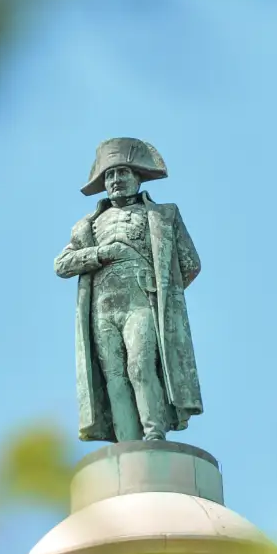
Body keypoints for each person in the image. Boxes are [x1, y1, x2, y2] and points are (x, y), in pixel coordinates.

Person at [55, 137, 203, 442]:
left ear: (138, 176)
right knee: (115, 379)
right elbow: (62, 264)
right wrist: (102, 254)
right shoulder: (88, 224)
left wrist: (162, 294)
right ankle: (127, 443)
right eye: (109, 175)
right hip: (103, 309)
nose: (116, 180)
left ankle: (153, 434)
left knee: (139, 364)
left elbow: (190, 264)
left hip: (141, 301)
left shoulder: (164, 215)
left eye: (122, 172)